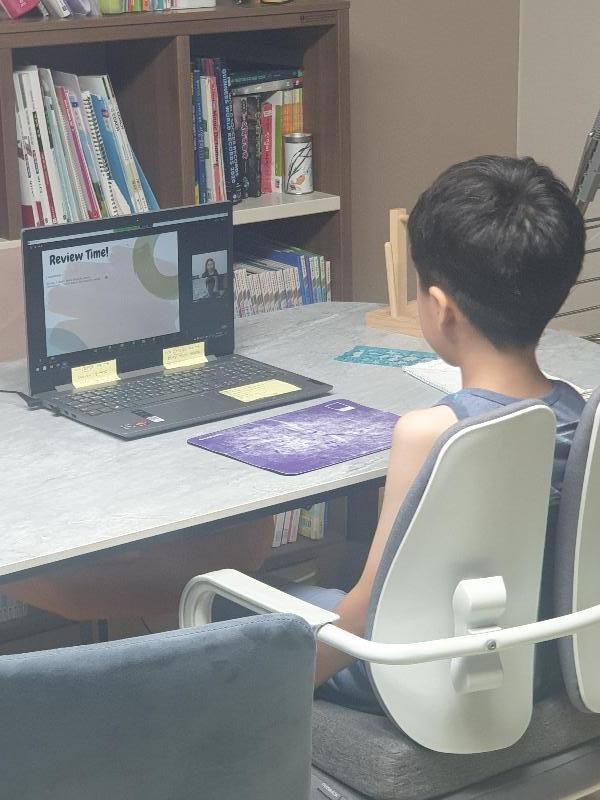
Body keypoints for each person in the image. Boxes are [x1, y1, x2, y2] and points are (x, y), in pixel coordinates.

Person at [296, 155, 586, 709]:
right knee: (334, 570)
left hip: (428, 685)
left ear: (438, 308)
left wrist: (275, 679)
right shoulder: (579, 412)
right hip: (547, 665)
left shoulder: (434, 433)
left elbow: (366, 612)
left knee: (246, 605)